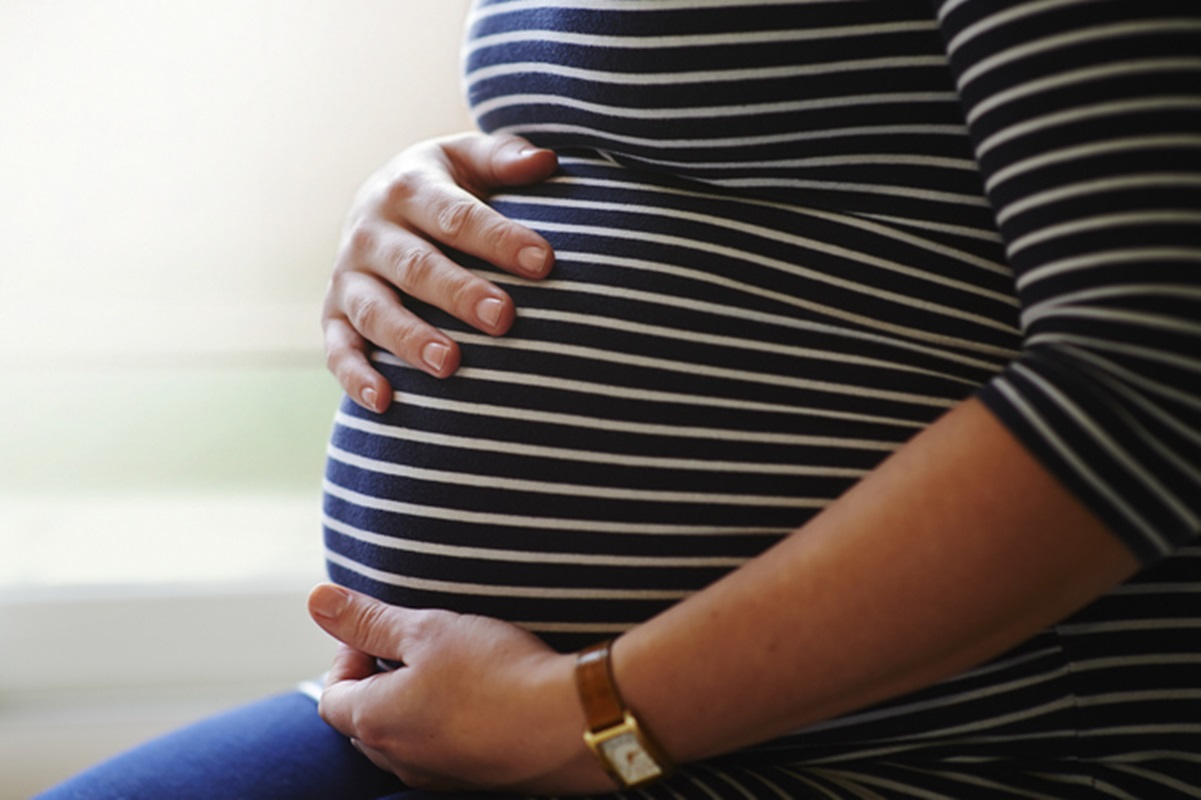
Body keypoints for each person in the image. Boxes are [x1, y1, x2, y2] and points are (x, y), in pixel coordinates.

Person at [39, 0, 1200, 797]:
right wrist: (427, 198)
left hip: (938, 752)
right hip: (549, 727)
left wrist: (595, 718)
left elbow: (1153, 372)